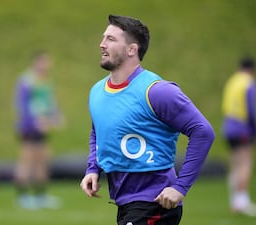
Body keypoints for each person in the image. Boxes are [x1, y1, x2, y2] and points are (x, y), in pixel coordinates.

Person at [80, 15, 215, 225]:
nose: (102, 44)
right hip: (126, 203)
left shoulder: (157, 91)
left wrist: (180, 187)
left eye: (111, 39)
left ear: (131, 50)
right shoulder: (97, 91)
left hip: (155, 203)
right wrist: (93, 169)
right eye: (103, 37)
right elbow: (98, 130)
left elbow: (202, 131)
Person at [14, 51, 63, 210]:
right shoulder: (27, 80)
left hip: (43, 127)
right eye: (44, 62)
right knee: (27, 161)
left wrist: (56, 116)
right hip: (29, 128)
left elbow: (49, 102)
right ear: (36, 62)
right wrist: (34, 122)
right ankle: (22, 197)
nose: (47, 65)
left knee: (43, 161)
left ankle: (40, 196)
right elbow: (22, 106)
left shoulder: (46, 80)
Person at [222, 57, 256, 217]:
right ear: (252, 69)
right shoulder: (248, 82)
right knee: (245, 164)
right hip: (242, 128)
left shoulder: (233, 81)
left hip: (228, 128)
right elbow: (251, 110)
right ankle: (242, 201)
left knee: (235, 165)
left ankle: (234, 201)